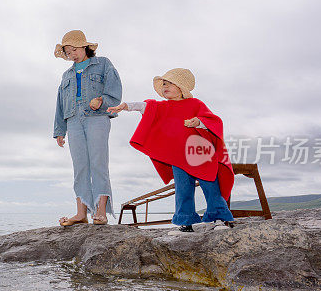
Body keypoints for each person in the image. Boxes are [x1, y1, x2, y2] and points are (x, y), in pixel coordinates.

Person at [107, 68, 234, 234]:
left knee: (210, 185)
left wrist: (198, 122)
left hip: (200, 153)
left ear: (181, 88)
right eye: (164, 84)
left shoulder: (196, 104)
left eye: (169, 84)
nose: (165, 87)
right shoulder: (162, 106)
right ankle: (186, 222)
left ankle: (219, 217)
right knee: (182, 189)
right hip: (178, 157)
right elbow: (145, 106)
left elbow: (213, 121)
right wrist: (126, 106)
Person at [53, 30, 122, 226]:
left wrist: (101, 100)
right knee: (80, 167)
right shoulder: (66, 74)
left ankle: (101, 212)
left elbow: (115, 91)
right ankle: (81, 212)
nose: (71, 54)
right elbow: (59, 102)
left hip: (97, 118)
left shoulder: (103, 64)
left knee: (98, 164)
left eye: (74, 49)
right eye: (67, 52)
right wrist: (59, 130)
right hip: (73, 121)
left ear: (84, 47)